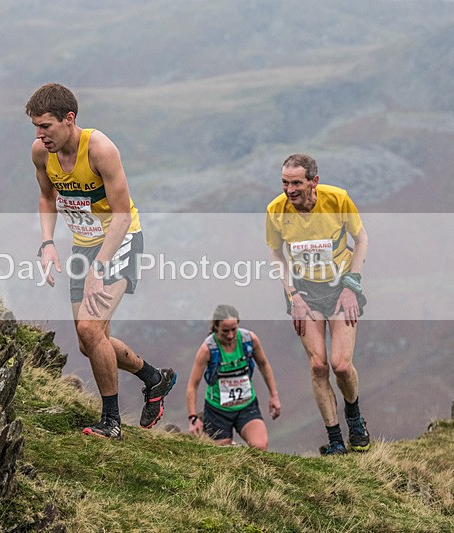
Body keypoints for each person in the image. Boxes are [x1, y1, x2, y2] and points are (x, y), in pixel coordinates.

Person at [26, 83, 176, 440]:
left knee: (90, 330)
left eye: (46, 125)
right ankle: (154, 378)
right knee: (89, 340)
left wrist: (100, 268)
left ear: (69, 119)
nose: (39, 134)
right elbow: (47, 198)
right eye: (35, 126)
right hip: (84, 244)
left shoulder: (101, 150)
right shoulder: (40, 153)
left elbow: (122, 215)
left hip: (120, 240)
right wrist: (47, 243)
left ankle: (111, 422)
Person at [265, 153, 370, 455]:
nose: (289, 190)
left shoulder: (337, 199)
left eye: (296, 183)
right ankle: (336, 439)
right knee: (318, 365)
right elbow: (275, 253)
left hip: (340, 289)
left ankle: (354, 416)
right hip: (304, 292)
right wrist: (291, 295)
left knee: (340, 365)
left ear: (314, 181)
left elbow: (361, 239)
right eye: (285, 183)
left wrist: (352, 285)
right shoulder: (276, 210)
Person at [186, 305, 281, 450]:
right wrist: (193, 418)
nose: (230, 335)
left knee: (260, 447)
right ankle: (230, 445)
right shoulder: (208, 349)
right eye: (225, 331)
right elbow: (193, 385)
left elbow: (264, 365)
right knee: (222, 456)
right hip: (217, 410)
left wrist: (274, 395)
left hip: (246, 405)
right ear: (216, 327)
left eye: (233, 330)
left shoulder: (249, 340)